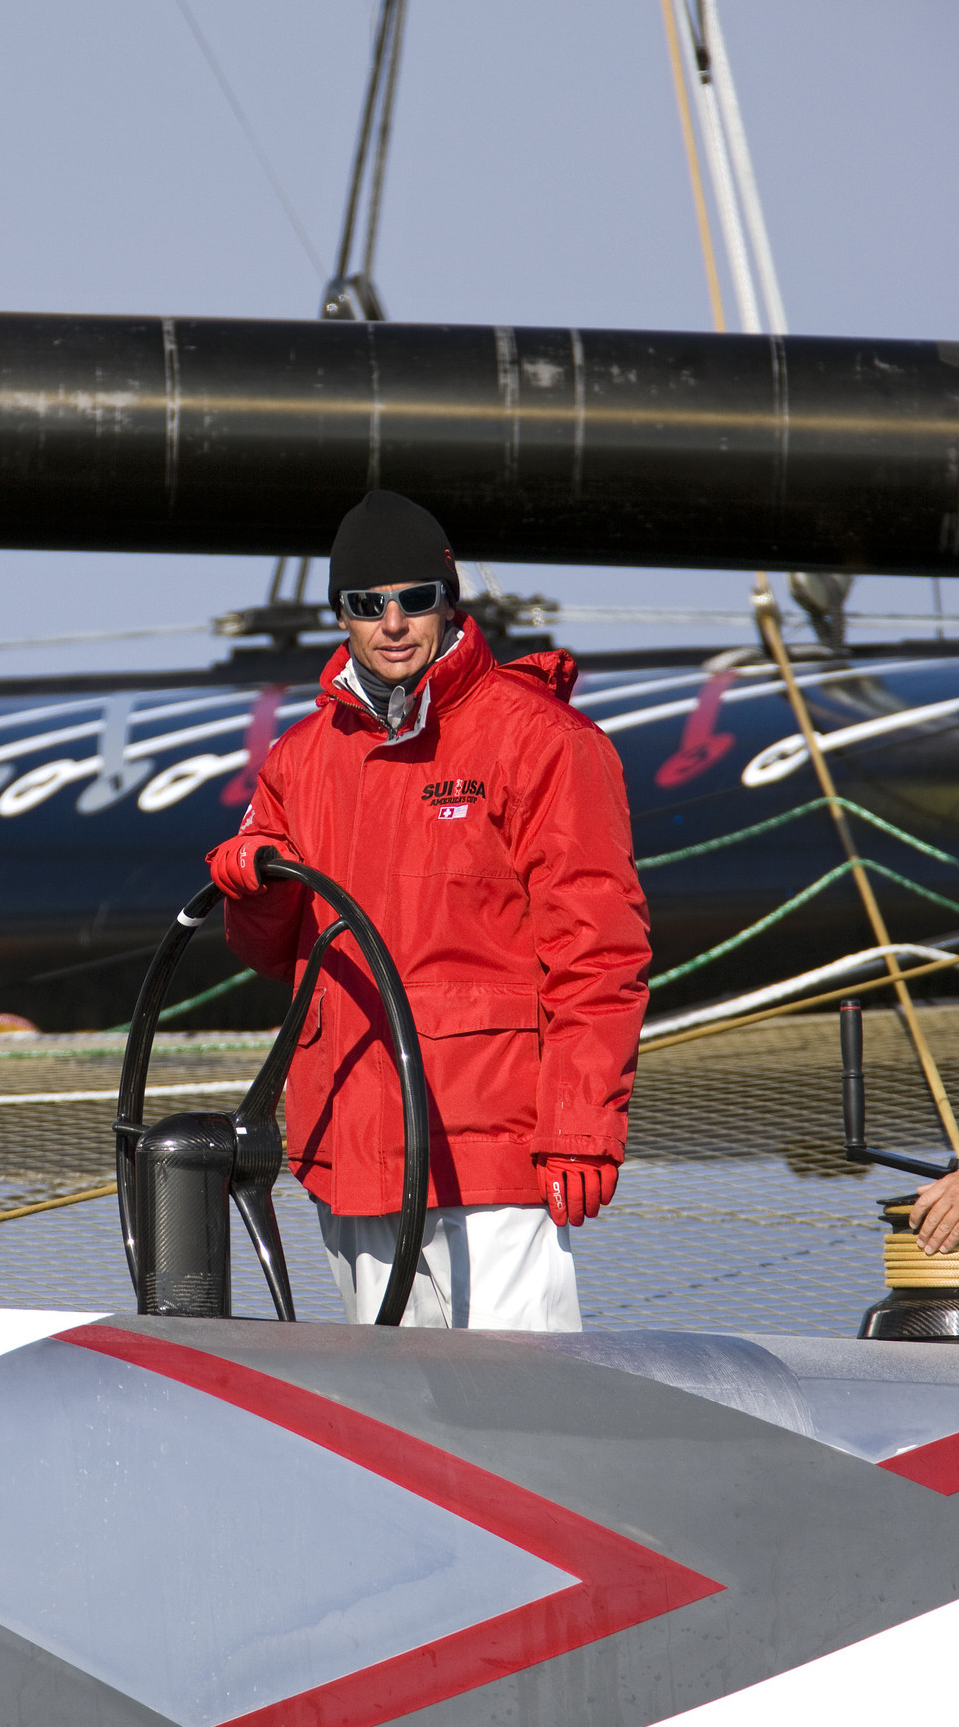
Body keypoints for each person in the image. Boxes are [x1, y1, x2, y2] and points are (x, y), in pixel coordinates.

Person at [208, 489, 650, 1330]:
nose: (394, 622)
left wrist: (583, 1127)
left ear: (449, 602)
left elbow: (599, 951)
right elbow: (274, 954)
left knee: (521, 1420)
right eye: (367, 605)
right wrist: (252, 885)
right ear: (341, 616)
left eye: (415, 598)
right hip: (350, 1149)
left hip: (489, 1152)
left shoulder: (543, 741)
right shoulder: (300, 762)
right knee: (395, 1427)